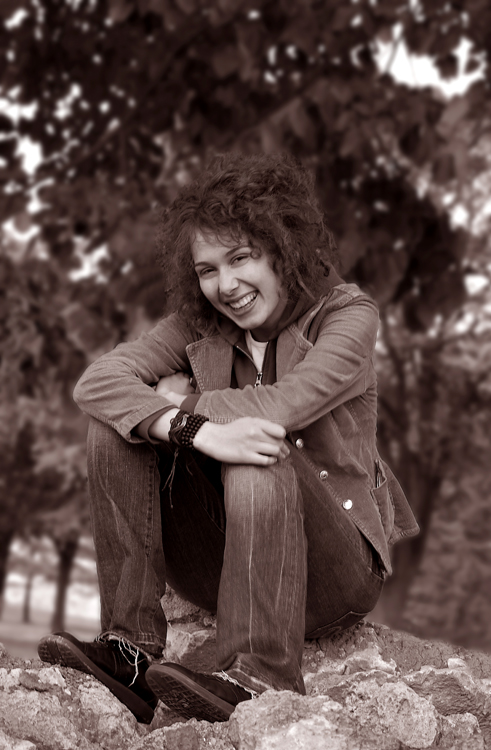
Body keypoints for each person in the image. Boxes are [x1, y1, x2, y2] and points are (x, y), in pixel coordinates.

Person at [37, 152, 419, 725]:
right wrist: (193, 431)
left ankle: (261, 674)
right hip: (223, 562)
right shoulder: (199, 326)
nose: (226, 285)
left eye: (241, 258)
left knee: (257, 447)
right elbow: (98, 382)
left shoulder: (347, 316)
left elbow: (283, 407)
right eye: (208, 269)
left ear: (283, 248)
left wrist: (180, 404)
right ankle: (130, 652)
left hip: (335, 571)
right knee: (116, 429)